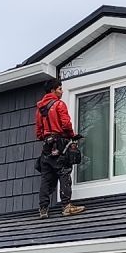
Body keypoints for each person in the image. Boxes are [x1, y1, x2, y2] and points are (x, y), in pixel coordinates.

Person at [35, 83, 84, 219]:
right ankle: (66, 206)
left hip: (46, 145)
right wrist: (71, 135)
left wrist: (46, 136)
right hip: (60, 142)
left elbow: (38, 133)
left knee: (46, 176)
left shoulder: (40, 109)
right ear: (53, 90)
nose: (62, 92)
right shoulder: (59, 104)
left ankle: (43, 209)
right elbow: (66, 124)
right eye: (60, 89)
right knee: (64, 172)